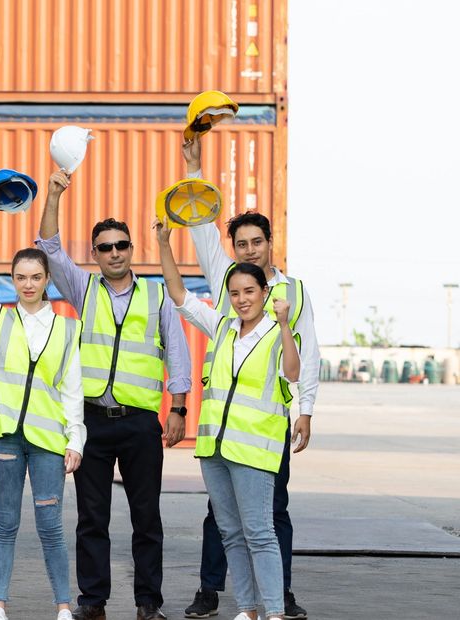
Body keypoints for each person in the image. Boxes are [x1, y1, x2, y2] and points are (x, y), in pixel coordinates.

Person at [35, 170, 190, 620]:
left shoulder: (157, 296)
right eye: (105, 247)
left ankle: (148, 604)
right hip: (92, 423)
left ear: (131, 249)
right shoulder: (84, 290)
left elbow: (177, 356)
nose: (115, 252)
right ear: (95, 254)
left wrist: (178, 409)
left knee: (147, 519)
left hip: (141, 423)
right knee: (91, 519)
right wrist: (55, 195)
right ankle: (93, 602)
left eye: (122, 244)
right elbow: (48, 248)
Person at [180, 137, 317, 620]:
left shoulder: (292, 293)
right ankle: (219, 592)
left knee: (271, 515)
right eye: (241, 244)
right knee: (224, 519)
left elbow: (307, 356)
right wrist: (193, 166)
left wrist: (305, 410)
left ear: (269, 244)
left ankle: (278, 598)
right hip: (220, 433)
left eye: (256, 242)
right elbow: (199, 231)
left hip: (267, 427)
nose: (250, 250)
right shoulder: (227, 285)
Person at [158, 221, 299, 620]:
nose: (241, 300)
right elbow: (180, 295)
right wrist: (164, 243)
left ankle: (273, 611)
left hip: (254, 451)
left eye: (249, 292)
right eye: (235, 293)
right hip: (215, 449)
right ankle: (249, 608)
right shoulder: (221, 328)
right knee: (231, 534)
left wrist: (286, 324)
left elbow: (293, 372)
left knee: (260, 534)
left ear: (265, 293)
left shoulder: (276, 334)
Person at [0, 202, 84, 620]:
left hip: (49, 442)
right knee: (5, 526)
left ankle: (64, 607)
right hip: (5, 438)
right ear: (11, 280)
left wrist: (76, 441)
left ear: (48, 280)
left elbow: (72, 390)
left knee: (52, 528)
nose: (28, 284)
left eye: (35, 277)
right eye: (20, 277)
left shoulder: (67, 328)